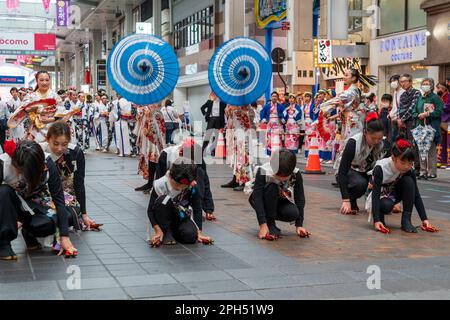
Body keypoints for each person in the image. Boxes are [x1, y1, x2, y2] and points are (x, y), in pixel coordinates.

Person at [0, 140, 77, 260]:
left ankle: (28, 232)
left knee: (58, 220)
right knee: (3, 191)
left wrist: (64, 237)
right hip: (8, 206)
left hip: (33, 204)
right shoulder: (3, 164)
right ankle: (4, 243)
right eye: (20, 170)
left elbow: (59, 200)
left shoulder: (47, 163)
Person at [366, 138, 439, 234]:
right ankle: (380, 216)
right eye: (403, 162)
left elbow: (416, 195)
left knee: (409, 182)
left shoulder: (409, 169)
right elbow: (375, 195)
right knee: (387, 205)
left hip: (393, 193)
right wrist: (376, 220)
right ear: (393, 158)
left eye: (410, 163)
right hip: (378, 195)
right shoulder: (381, 168)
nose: (406, 166)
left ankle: (406, 220)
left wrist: (424, 219)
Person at [42, 121, 102, 231]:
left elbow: (79, 184)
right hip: (44, 195)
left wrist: (84, 214)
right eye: (55, 144)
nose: (60, 148)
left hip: (67, 197)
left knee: (68, 215)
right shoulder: (39, 152)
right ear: (47, 139)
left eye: (64, 144)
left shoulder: (75, 153)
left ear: (69, 141)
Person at [147, 158, 213, 247]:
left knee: (191, 236)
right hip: (163, 217)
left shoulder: (192, 186)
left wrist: (199, 232)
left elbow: (197, 209)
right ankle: (165, 232)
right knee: (164, 200)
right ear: (170, 176)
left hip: (181, 216)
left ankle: (175, 232)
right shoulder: (160, 185)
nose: (179, 188)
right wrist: (157, 230)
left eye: (184, 186)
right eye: (177, 185)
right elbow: (150, 211)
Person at [248, 149, 309, 240]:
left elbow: (300, 199)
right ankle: (270, 223)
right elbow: (257, 198)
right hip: (261, 200)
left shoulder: (296, 174)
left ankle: (270, 218)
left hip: (280, 200)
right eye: (277, 175)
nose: (280, 179)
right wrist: (262, 224)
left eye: (284, 177)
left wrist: (299, 225)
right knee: (272, 187)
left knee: (293, 213)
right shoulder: (263, 171)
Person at [155, 138, 216, 221]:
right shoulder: (166, 155)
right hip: (170, 188)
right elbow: (159, 182)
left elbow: (205, 182)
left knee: (199, 174)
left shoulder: (197, 157)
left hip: (186, 188)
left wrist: (209, 209)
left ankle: (194, 206)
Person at [336, 112, 385, 215]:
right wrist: (345, 200)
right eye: (373, 138)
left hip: (368, 170)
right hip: (351, 170)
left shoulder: (383, 144)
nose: (376, 141)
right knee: (360, 184)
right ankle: (351, 198)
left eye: (379, 138)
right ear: (365, 133)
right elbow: (342, 172)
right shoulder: (353, 143)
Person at [8, 71, 64, 143]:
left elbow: (62, 111)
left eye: (47, 80)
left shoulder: (55, 96)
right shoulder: (31, 96)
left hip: (52, 130)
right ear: (37, 81)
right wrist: (30, 109)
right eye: (41, 80)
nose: (44, 83)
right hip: (35, 130)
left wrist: (52, 119)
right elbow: (22, 110)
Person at [412, 78, 443, 180]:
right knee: (421, 150)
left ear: (432, 86)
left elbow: (439, 112)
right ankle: (422, 171)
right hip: (420, 127)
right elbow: (414, 112)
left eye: (427, 84)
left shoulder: (435, 98)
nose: (425, 85)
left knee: (431, 150)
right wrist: (418, 115)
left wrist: (428, 114)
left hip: (431, 127)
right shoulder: (419, 98)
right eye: (423, 84)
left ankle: (431, 172)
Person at [222, 105, 256, 191]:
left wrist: (239, 110)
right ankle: (236, 180)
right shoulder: (232, 102)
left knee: (243, 158)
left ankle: (245, 181)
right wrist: (228, 111)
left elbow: (248, 120)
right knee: (236, 158)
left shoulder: (245, 104)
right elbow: (230, 119)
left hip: (243, 134)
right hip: (235, 133)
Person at [135, 104, 166, 194]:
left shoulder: (157, 113)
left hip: (155, 140)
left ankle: (155, 184)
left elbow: (159, 128)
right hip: (148, 139)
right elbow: (140, 120)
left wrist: (149, 117)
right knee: (149, 160)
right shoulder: (147, 111)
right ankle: (150, 182)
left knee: (155, 160)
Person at [397, 74, 421, 142]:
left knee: (412, 143)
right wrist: (399, 119)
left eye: (404, 81)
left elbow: (412, 108)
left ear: (410, 82)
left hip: (412, 122)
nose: (402, 84)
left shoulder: (416, 92)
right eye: (401, 82)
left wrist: (402, 120)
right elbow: (399, 108)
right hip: (402, 123)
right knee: (403, 143)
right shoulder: (402, 95)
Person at [260, 92, 284, 156]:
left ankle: (278, 152)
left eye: (275, 96)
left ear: (277, 98)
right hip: (270, 123)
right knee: (269, 138)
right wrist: (263, 119)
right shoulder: (267, 106)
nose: (274, 97)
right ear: (271, 97)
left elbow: (284, 114)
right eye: (273, 96)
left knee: (277, 138)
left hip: (277, 123)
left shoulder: (280, 106)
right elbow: (262, 112)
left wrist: (282, 119)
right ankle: (269, 152)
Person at [436, 82, 450, 169]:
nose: (439, 89)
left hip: (448, 121)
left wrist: (440, 106)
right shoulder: (438, 97)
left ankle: (449, 162)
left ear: (446, 88)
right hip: (440, 121)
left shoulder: (449, 96)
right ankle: (442, 161)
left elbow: (447, 107)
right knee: (441, 142)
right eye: (438, 88)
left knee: (449, 143)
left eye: (441, 88)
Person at [389, 75, 404, 143]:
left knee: (398, 138)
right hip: (394, 119)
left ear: (399, 81)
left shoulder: (403, 92)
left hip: (399, 119)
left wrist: (398, 117)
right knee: (393, 138)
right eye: (391, 81)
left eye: (394, 80)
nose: (392, 82)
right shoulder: (395, 92)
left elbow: (401, 107)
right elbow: (395, 106)